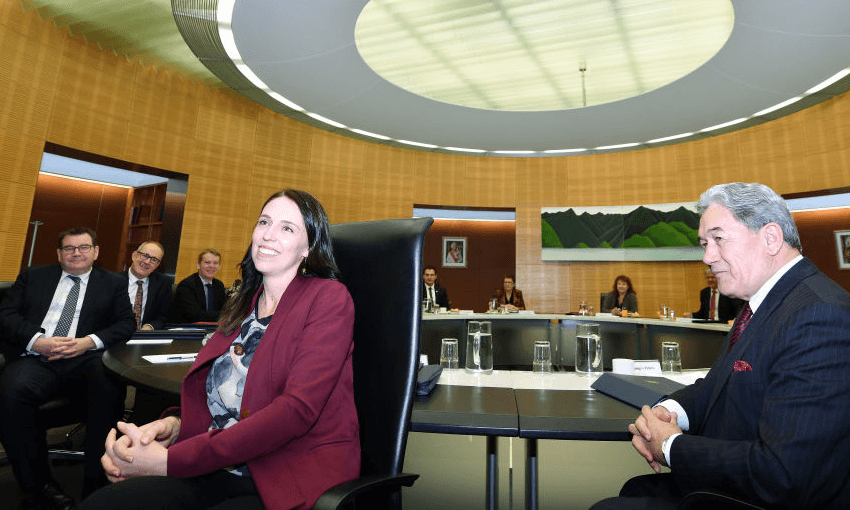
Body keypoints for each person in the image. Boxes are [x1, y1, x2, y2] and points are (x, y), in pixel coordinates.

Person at [81, 189, 359, 510]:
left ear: (308, 247)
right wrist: (173, 426)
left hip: (283, 471)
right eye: (264, 222)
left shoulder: (328, 298)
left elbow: (297, 411)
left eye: (287, 228)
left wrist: (170, 463)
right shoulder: (242, 303)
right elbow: (218, 397)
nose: (268, 235)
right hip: (214, 464)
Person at [592, 182, 850, 509]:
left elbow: (784, 472)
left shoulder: (820, 316)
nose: (707, 257)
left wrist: (670, 446)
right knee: (633, 489)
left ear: (770, 238)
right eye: (704, 242)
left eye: (718, 239)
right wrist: (667, 411)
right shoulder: (759, 305)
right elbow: (718, 387)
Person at [0, 227, 135, 509]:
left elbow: (125, 324)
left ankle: (96, 482)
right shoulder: (33, 276)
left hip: (84, 358)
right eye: (70, 248)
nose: (77, 253)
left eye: (84, 247)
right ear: (59, 253)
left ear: (96, 252)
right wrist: (38, 341)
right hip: (36, 357)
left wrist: (88, 342)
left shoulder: (112, 283)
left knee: (109, 386)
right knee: (11, 392)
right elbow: (5, 314)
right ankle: (39, 487)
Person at [124, 241, 171, 330]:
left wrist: (149, 327)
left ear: (157, 265)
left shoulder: (163, 284)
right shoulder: (113, 281)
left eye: (154, 260)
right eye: (145, 255)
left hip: (144, 338)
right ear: (134, 256)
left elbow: (162, 317)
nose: (147, 262)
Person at [170, 249, 227, 323]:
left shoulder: (219, 285)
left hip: (213, 328)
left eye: (215, 263)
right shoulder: (186, 285)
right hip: (189, 329)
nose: (211, 266)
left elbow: (224, 310)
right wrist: (224, 315)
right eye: (207, 262)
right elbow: (195, 315)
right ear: (198, 265)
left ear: (219, 267)